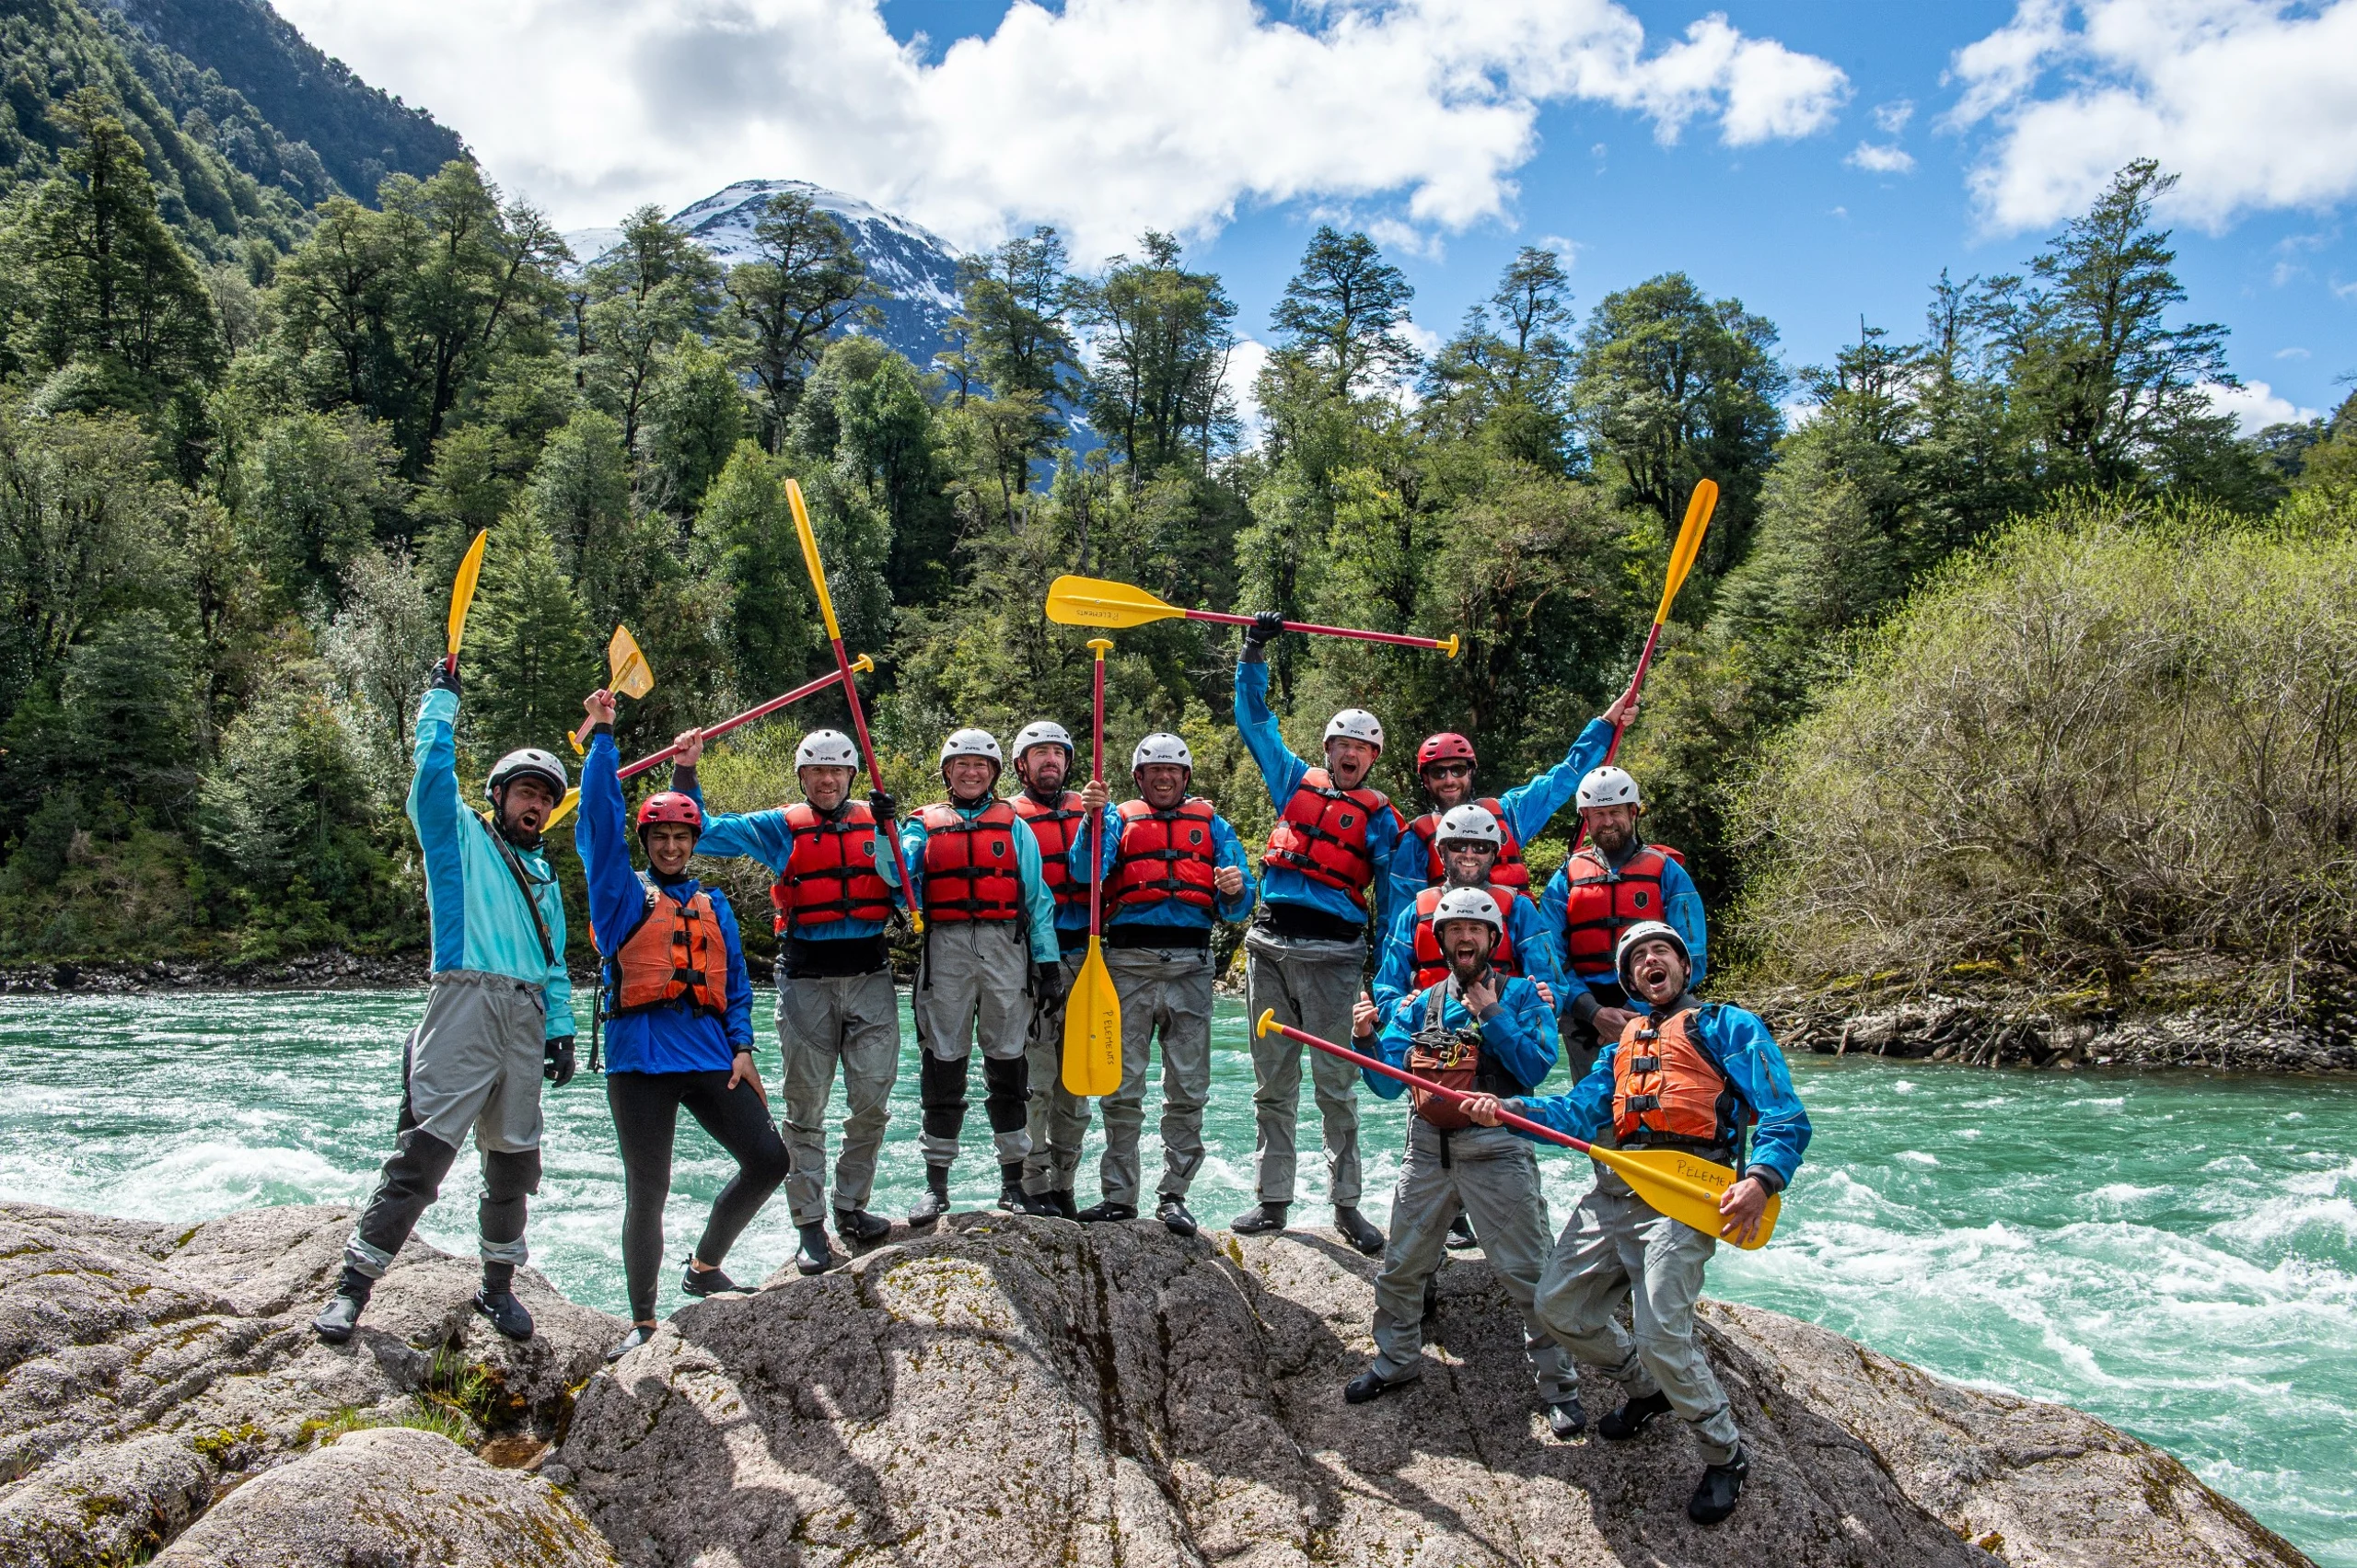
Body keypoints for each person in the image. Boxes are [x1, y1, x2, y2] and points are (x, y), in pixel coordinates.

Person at [1465, 920, 1811, 1527]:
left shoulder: (1727, 1025)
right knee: (1559, 1308)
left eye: (1662, 951)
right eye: (1639, 957)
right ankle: (1645, 1387)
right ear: (1628, 980)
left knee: (1663, 1333)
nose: (1652, 960)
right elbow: (1575, 1113)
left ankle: (1724, 1451)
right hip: (1614, 1192)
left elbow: (1783, 1113)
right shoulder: (1618, 1048)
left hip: (1683, 1195)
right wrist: (1511, 1109)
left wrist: (1760, 1179)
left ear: (1682, 965)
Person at [312, 661, 575, 1346]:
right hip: (462, 1003)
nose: (535, 804)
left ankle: (497, 1288)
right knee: (422, 1158)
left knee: (514, 1163)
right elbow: (429, 779)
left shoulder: (546, 878)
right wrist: (441, 702)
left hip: (524, 1019)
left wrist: (563, 1031)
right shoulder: (459, 838)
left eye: (544, 797)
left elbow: (555, 966)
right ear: (499, 796)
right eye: (524, 792)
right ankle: (351, 1289)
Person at [575, 691, 789, 1359]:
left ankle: (703, 1267)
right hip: (639, 1060)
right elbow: (601, 826)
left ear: (693, 843)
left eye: (680, 836)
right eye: (659, 836)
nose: (670, 845)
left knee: (769, 1159)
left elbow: (738, 985)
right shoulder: (618, 896)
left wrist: (745, 1047)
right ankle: (641, 1321)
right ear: (647, 845)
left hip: (708, 1055)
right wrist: (604, 736)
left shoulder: (713, 902)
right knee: (650, 1188)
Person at [1341, 889, 1580, 1435]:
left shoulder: (1525, 997)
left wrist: (1490, 1012)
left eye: (1475, 930)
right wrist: (1368, 1038)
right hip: (1425, 1150)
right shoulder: (1415, 1004)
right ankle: (1396, 1360)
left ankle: (1559, 1386)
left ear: (1493, 938)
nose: (1464, 938)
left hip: (1498, 1150)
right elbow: (1382, 1085)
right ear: (1441, 940)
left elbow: (1535, 1066)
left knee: (1529, 1274)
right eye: (1454, 931)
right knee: (1401, 1267)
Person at [676, 728, 906, 1276]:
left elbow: (910, 881)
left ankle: (852, 1207)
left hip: (871, 975)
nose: (827, 781)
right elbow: (699, 831)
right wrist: (686, 771)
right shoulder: (779, 829)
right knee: (806, 1109)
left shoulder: (881, 822)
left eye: (836, 772)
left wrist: (895, 830)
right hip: (805, 980)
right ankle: (810, 1224)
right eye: (816, 773)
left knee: (872, 1103)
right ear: (801, 778)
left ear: (851, 776)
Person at [1232, 615, 1401, 1255]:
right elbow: (1254, 720)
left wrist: (1383, 979)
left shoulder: (1381, 817)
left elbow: (1394, 897)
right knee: (1272, 1082)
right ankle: (1273, 1199)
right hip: (1271, 947)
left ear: (1373, 757)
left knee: (1336, 1087)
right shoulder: (1291, 777)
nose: (1350, 752)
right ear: (1327, 748)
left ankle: (1346, 1205)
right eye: (1341, 743)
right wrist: (1253, 650)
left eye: (1362, 746)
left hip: (1336, 956)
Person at [1065, 733, 1257, 1235]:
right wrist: (1089, 819)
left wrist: (1236, 889)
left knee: (1188, 1088)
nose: (1165, 778)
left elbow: (1240, 907)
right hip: (1127, 964)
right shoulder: (1116, 819)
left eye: (1173, 771)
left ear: (1186, 778)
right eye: (1155, 772)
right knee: (1122, 1087)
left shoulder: (1212, 824)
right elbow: (1084, 871)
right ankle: (1119, 1197)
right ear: (1140, 779)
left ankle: (1174, 1195)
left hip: (1191, 965)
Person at [1369, 802, 1564, 1256]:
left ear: (1495, 853)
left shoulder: (1518, 908)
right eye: (1458, 846)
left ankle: (1528, 1251)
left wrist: (1540, 1000)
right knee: (1429, 1145)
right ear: (1442, 852)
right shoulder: (1415, 911)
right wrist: (1406, 1008)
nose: (1470, 854)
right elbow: (1387, 982)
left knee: (1515, 1175)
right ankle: (1436, 1245)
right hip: (1430, 1041)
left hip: (1499, 1045)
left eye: (1480, 846)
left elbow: (1547, 975)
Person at [900, 728, 1062, 1221]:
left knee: (1008, 1066)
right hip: (944, 950)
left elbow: (1038, 900)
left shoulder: (1015, 827)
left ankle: (1014, 1184)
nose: (971, 772)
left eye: (981, 765)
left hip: (1005, 950)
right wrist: (888, 836)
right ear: (947, 773)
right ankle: (936, 1187)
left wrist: (1048, 964)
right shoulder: (920, 825)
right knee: (943, 1064)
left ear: (994, 773)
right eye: (961, 765)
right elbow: (898, 875)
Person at [1387, 693, 1636, 910]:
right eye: (1438, 772)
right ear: (1426, 781)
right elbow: (1400, 916)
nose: (1450, 780)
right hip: (1454, 952)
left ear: (1470, 773)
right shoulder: (1415, 840)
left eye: (1458, 770)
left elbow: (1564, 777)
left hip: (1514, 947)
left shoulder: (1507, 813)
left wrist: (1606, 724)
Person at [1539, 766, 1706, 1076]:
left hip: (1660, 1003)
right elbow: (1549, 960)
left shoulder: (1667, 872)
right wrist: (1594, 1013)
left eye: (1614, 812)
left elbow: (1692, 955)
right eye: (1597, 814)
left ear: (1633, 811)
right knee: (1599, 1115)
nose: (1607, 822)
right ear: (1585, 819)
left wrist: (1639, 1011)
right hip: (1586, 1014)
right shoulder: (1564, 879)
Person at [1007, 720, 1092, 1217]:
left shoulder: (1095, 811)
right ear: (1021, 765)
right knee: (1036, 1082)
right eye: (1039, 754)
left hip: (1088, 959)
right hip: (1029, 962)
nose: (1050, 762)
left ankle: (1065, 1182)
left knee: (1076, 1083)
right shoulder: (1006, 819)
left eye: (1058, 754)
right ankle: (1033, 1182)